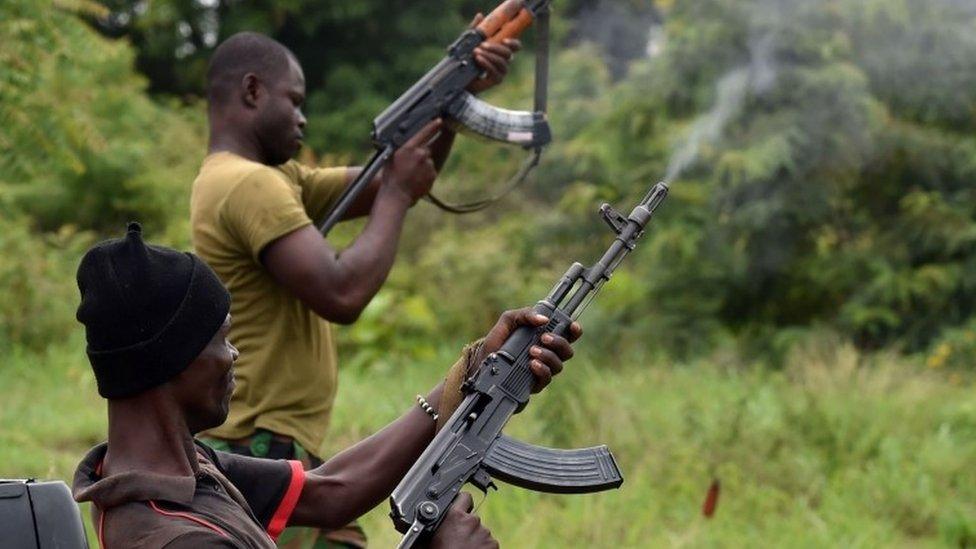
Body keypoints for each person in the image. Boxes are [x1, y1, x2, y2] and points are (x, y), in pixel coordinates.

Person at [190, 25, 520, 547]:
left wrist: (457, 95)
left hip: (276, 441)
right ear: (252, 91)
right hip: (259, 443)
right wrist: (394, 192)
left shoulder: (272, 180)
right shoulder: (247, 184)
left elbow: (411, 174)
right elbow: (342, 292)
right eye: (294, 101)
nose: (302, 117)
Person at [72, 224, 579, 548]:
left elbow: (330, 491)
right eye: (223, 340)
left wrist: (473, 378)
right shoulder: (173, 538)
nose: (234, 357)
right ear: (174, 359)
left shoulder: (184, 468)